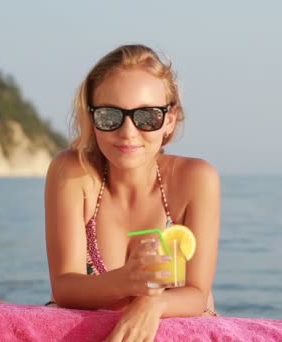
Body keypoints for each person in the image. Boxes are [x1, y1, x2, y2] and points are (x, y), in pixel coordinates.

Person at [44, 44, 220, 341]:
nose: (127, 132)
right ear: (91, 117)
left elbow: (196, 294)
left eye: (147, 117)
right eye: (110, 116)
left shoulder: (196, 179)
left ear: (170, 119)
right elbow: (64, 288)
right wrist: (128, 281)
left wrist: (153, 303)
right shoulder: (73, 174)